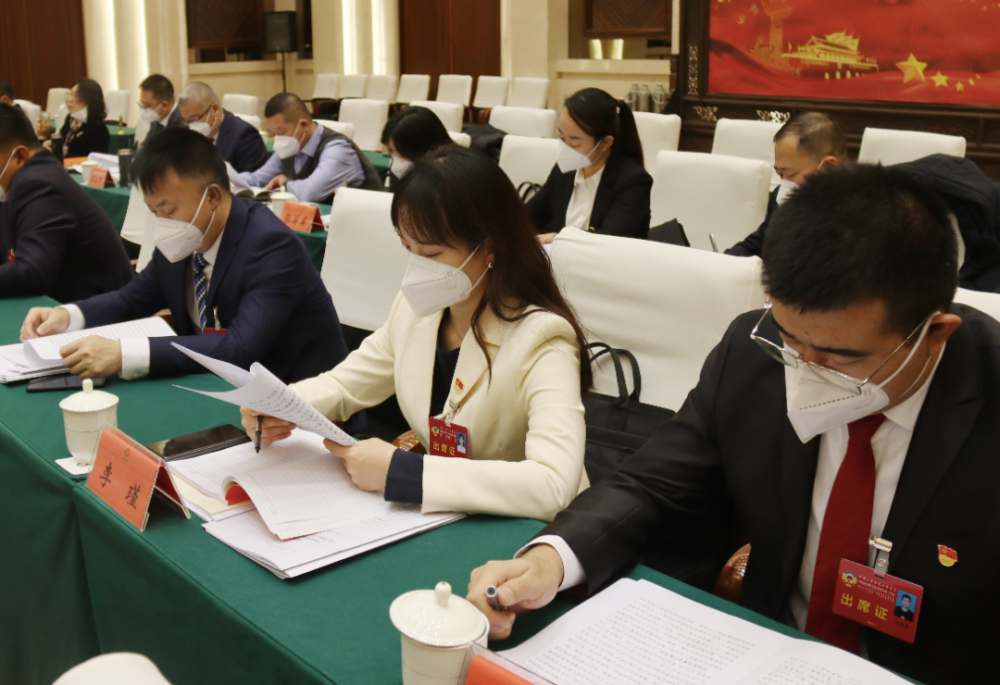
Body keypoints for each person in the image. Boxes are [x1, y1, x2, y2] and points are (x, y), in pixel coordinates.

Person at [467, 164, 1000, 685]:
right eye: (790, 340)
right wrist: (552, 561)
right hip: (766, 653)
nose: (806, 371)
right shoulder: (753, 354)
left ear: (935, 334)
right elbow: (652, 484)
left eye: (840, 356)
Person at [242, 146, 592, 522]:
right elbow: (346, 385)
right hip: (447, 514)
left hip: (525, 529)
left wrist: (407, 473)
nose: (416, 269)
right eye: (408, 249)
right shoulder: (417, 310)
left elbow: (554, 485)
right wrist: (281, 405)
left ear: (491, 247)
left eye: (431, 253)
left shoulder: (543, 337)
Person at [19, 127, 350, 384]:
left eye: (169, 210)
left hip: (298, 401)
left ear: (213, 196)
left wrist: (124, 353)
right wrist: (67, 315)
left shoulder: (271, 246)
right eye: (154, 212)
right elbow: (131, 300)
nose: (163, 223)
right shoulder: (182, 238)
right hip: (217, 385)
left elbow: (239, 348)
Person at [0, 104, 132, 302]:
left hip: (101, 310)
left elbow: (33, 272)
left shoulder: (39, 184)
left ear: (20, 156)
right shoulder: (23, 177)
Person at [527, 87, 651, 241]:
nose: (566, 148)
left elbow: (609, 239)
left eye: (575, 142)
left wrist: (559, 238)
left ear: (605, 143)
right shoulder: (566, 169)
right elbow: (529, 217)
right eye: (561, 138)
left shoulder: (633, 181)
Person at [726, 112, 848, 257]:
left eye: (791, 174)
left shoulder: (858, 214)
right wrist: (725, 259)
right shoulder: (780, 197)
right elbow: (759, 243)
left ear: (828, 167)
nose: (785, 184)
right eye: (780, 174)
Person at [239, 93, 382, 203]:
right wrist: (230, 178)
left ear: (304, 125)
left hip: (361, 222)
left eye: (280, 132)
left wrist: (284, 182)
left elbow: (310, 193)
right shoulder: (289, 148)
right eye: (272, 133)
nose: (277, 138)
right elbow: (257, 179)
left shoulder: (338, 149)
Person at [177, 82, 268, 174]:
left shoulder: (245, 136)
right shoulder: (187, 133)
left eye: (195, 118)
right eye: (186, 120)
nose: (191, 125)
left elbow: (253, 180)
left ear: (215, 109)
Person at [34, 79, 110, 158]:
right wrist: (45, 136)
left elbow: (93, 159)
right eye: (70, 94)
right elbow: (62, 144)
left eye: (76, 95)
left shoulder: (98, 128)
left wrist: (65, 154)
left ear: (91, 100)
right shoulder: (70, 119)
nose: (70, 99)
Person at [380, 106, 453, 186]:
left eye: (399, 151)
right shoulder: (402, 163)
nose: (398, 157)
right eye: (391, 150)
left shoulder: (449, 173)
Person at [139, 74, 184, 140]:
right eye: (143, 104)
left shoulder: (182, 124)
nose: (144, 109)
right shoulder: (157, 119)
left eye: (147, 105)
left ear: (164, 105)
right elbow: (148, 144)